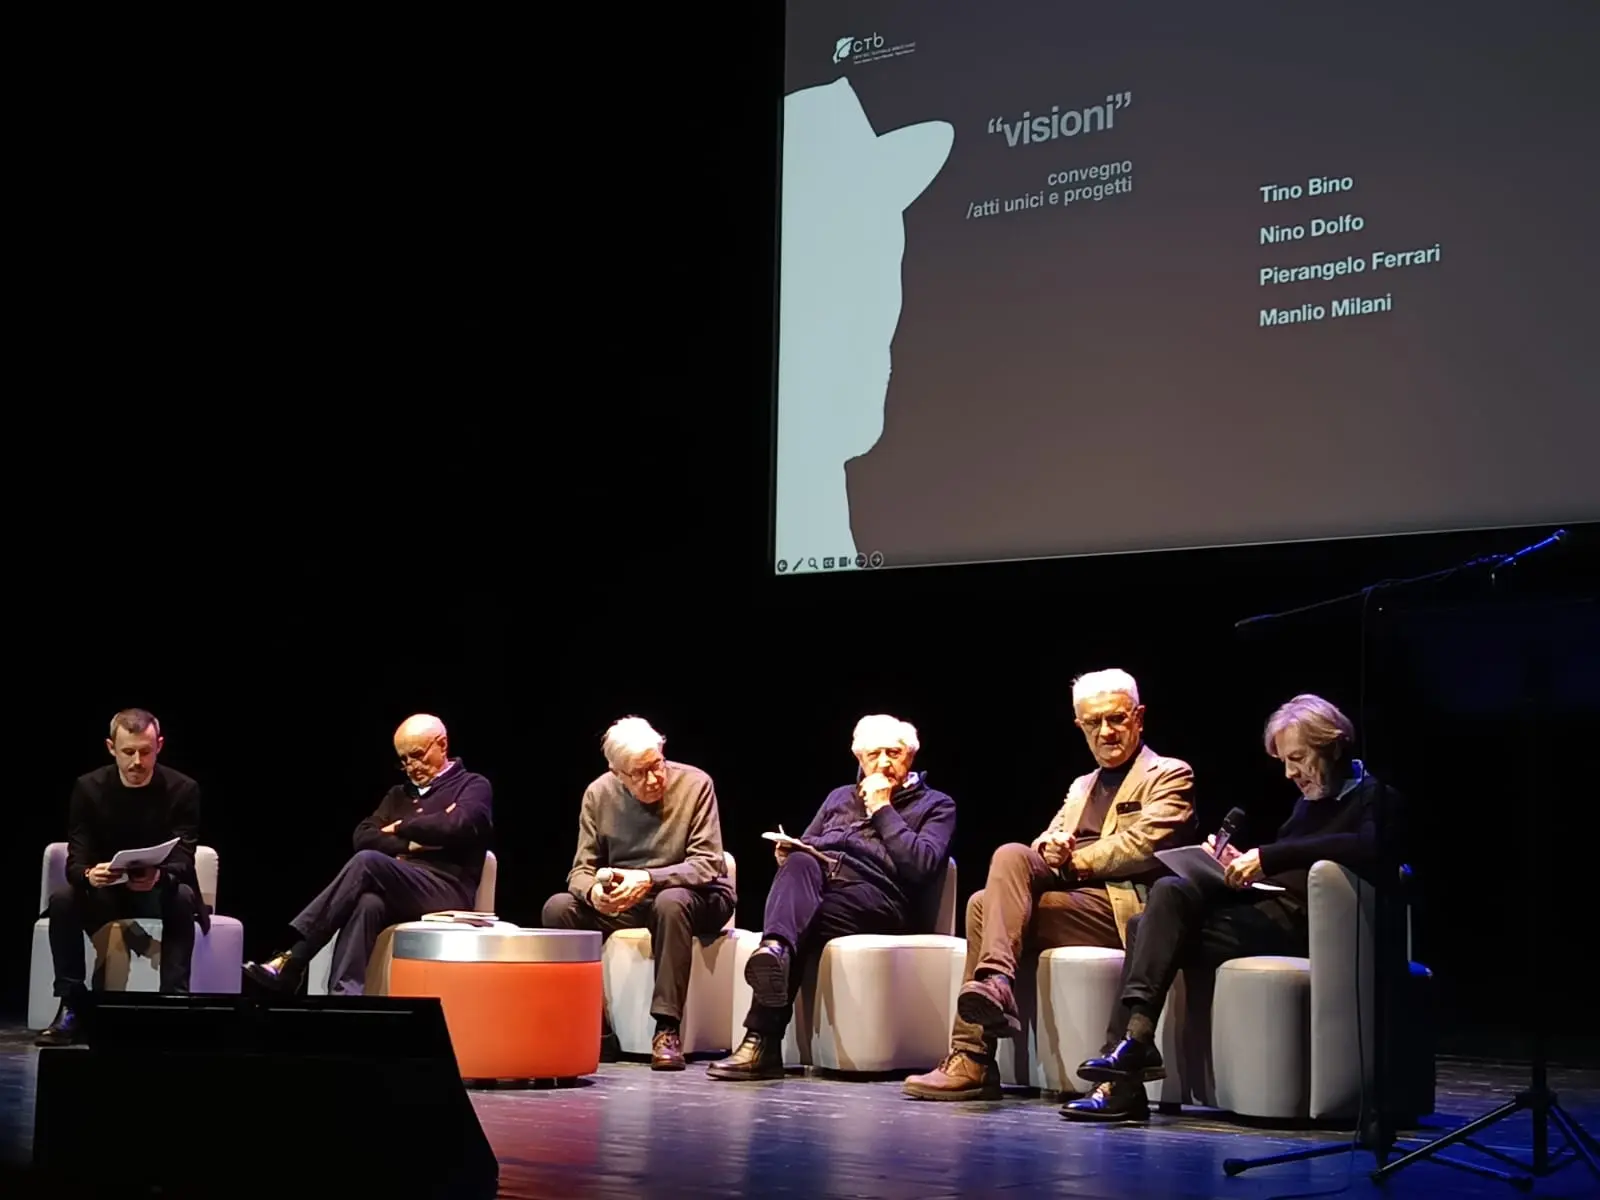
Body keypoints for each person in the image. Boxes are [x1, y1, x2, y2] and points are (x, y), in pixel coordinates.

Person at [1062, 693, 1398, 1122]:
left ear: (1332, 745)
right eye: (1284, 762)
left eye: (1297, 758)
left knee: (1150, 926)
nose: (1290, 773)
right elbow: (1288, 862)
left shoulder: (1375, 798)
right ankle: (1134, 1049)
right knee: (1159, 903)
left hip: (1307, 928)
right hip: (1264, 912)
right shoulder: (1306, 803)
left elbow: (1365, 847)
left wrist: (1267, 857)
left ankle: (1123, 1072)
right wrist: (1234, 864)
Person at [902, 668, 1196, 1100]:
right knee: (1002, 869)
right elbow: (1050, 834)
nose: (1106, 732)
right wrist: (1049, 848)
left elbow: (1145, 844)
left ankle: (973, 1057)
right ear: (1080, 726)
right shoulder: (1081, 786)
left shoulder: (1169, 774)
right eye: (1093, 723)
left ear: (1138, 717)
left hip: (1124, 907)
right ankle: (992, 995)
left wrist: (1072, 862)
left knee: (986, 905)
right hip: (1074, 900)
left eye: (1116, 718)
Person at [707, 714, 956, 1081]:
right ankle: (774, 951)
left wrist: (882, 809)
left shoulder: (936, 805)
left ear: (911, 756)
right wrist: (790, 852)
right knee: (800, 864)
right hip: (824, 889)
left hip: (879, 899)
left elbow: (922, 865)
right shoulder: (839, 797)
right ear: (859, 758)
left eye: (893, 753)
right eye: (873, 754)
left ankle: (761, 1039)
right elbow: (808, 845)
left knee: (800, 923)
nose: (883, 763)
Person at [243, 714, 493, 995]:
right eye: (404, 760)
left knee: (368, 863)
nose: (411, 766)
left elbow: (458, 825)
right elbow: (363, 836)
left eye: (417, 755)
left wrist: (400, 826)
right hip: (401, 885)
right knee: (368, 903)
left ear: (442, 744)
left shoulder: (473, 786)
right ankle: (343, 996)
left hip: (447, 888)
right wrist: (413, 844)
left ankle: (294, 958)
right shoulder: (398, 794)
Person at [541, 717, 736, 1071]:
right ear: (617, 773)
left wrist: (648, 878)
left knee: (670, 902)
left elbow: (708, 863)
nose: (654, 778)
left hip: (697, 896)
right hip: (631, 902)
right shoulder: (598, 794)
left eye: (657, 764)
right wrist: (594, 894)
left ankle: (666, 1029)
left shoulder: (696, 784)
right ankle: (596, 1029)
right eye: (640, 773)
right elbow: (580, 871)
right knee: (558, 908)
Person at [37, 709, 208, 1046]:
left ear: (159, 746)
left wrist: (159, 875)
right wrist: (90, 874)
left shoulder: (183, 789)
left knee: (183, 896)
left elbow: (184, 858)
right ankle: (72, 1004)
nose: (137, 762)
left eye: (146, 751)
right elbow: (76, 861)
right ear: (111, 747)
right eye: (128, 751)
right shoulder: (88, 788)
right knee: (63, 900)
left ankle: (174, 1004)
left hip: (157, 891)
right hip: (108, 893)